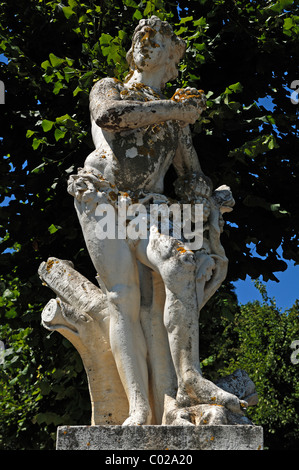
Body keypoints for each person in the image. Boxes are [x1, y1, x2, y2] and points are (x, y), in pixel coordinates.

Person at [68, 16, 247, 425]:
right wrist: (176, 110)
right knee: (123, 300)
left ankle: (187, 381)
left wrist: (206, 197)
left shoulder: (176, 119)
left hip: (148, 206)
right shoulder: (111, 87)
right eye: (141, 37)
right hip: (100, 198)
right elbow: (109, 115)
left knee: (179, 264)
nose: (146, 41)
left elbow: (190, 173)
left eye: (159, 39)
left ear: (171, 58)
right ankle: (140, 407)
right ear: (134, 51)